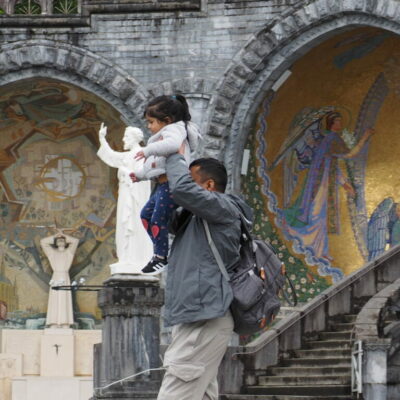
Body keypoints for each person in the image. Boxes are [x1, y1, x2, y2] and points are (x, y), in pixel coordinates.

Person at [156, 153, 253, 400]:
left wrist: (172, 154)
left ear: (209, 186)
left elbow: (182, 191)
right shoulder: (195, 219)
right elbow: (162, 216)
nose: (184, 184)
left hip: (206, 317)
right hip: (198, 315)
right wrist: (161, 181)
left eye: (192, 180)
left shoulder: (224, 207)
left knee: (175, 393)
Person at [131, 94, 201, 275]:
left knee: (157, 219)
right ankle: (159, 253)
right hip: (161, 185)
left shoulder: (173, 131)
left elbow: (172, 145)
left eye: (151, 122)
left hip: (171, 185)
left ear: (167, 121)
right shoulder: (161, 136)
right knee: (146, 216)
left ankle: (161, 257)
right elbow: (154, 166)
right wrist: (139, 175)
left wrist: (147, 150)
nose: (148, 126)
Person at [97, 124, 153, 274]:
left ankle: (135, 259)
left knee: (132, 224)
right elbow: (112, 156)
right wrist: (102, 138)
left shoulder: (141, 154)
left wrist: (125, 172)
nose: (123, 139)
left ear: (134, 139)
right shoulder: (128, 155)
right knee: (123, 225)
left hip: (135, 199)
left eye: (126, 137)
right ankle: (126, 258)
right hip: (126, 196)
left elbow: (142, 176)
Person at [40, 231, 79, 328]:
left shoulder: (69, 252)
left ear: (66, 242)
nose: (61, 241)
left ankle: (65, 322)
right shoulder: (52, 253)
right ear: (55, 243)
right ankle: (54, 322)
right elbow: (43, 242)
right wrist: (55, 236)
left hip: (65, 276)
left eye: (63, 240)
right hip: (56, 276)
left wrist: (64, 235)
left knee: (64, 299)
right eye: (59, 240)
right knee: (55, 299)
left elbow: (75, 241)